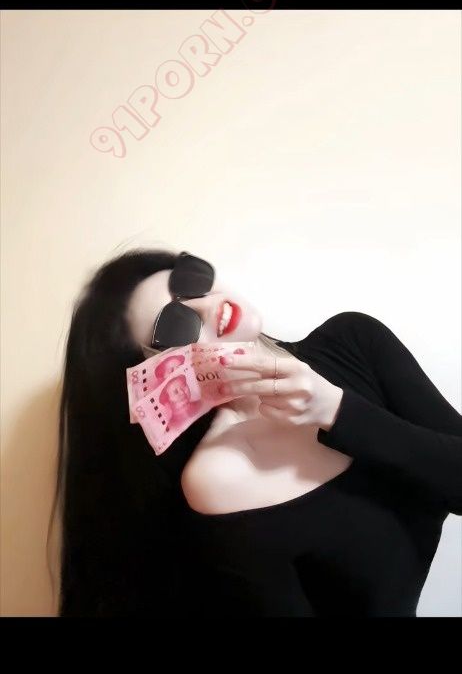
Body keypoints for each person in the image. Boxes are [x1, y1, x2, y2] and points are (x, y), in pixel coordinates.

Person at [52, 248, 462, 617]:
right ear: (151, 378)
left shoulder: (354, 341)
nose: (207, 304)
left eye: (190, 279)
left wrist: (337, 410)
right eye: (175, 323)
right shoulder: (222, 475)